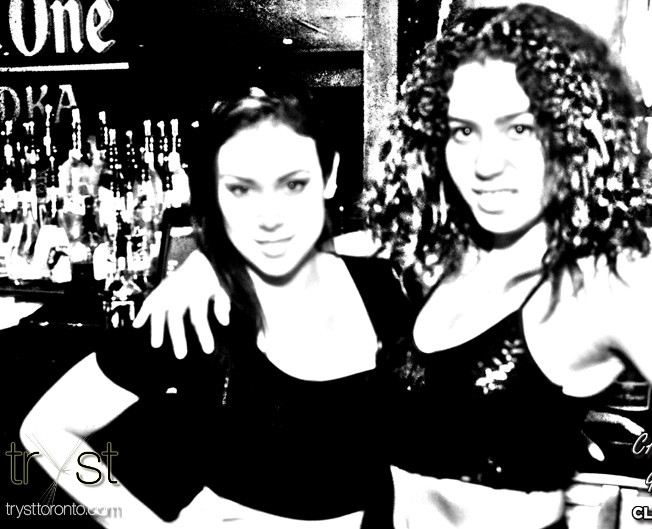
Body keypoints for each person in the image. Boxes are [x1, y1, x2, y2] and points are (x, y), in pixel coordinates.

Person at [135, 4, 652, 528]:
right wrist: (209, 264)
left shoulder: (601, 286)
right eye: (462, 130)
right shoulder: (436, 261)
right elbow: (302, 247)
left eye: (519, 128)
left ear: (567, 133)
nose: (486, 162)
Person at [20, 78, 409, 528]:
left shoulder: (390, 289)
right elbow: (46, 429)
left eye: (293, 184)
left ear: (330, 175)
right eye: (241, 189)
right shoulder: (196, 310)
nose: (269, 216)